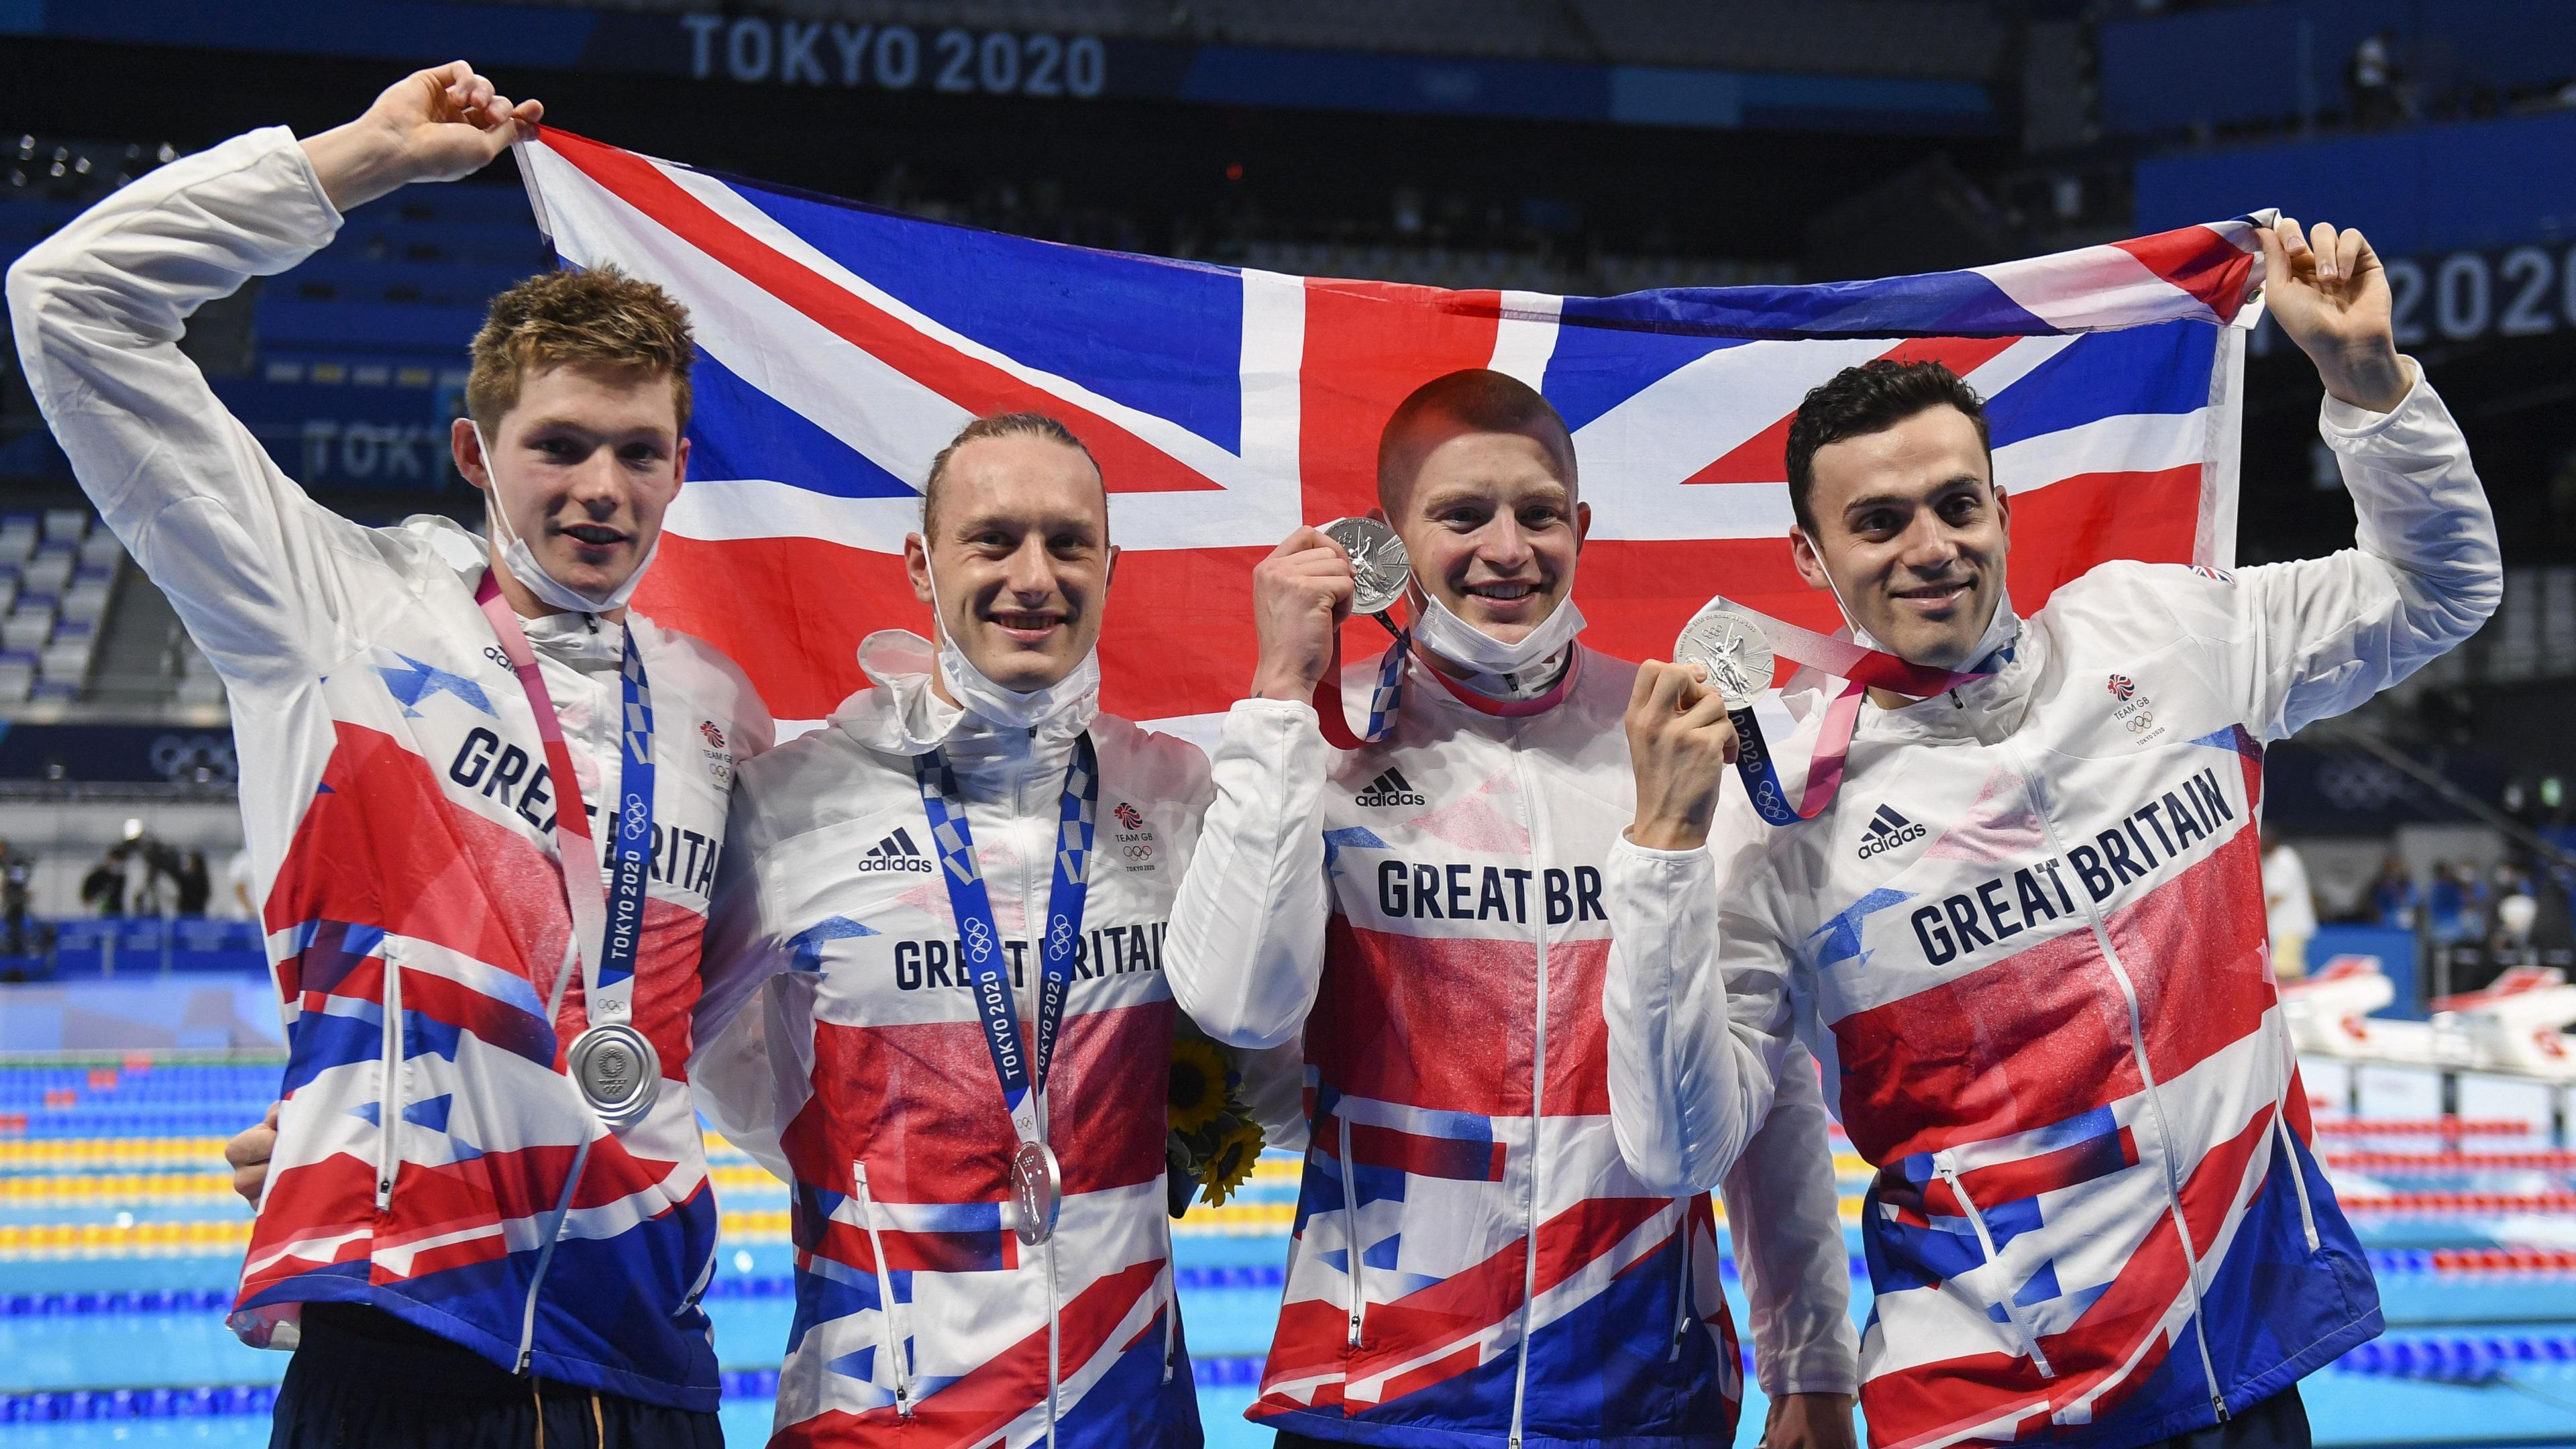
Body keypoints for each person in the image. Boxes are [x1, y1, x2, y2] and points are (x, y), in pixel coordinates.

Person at [1607, 215, 2498, 1448]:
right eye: (1878, 524)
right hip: (1993, 1409)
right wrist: (1659, 852)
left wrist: (2366, 387)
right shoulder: (1782, 817)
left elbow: (2439, 589)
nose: (1930, 548)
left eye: (1954, 502)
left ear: (2003, 508)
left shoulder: (2167, 637)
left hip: (2243, 1361)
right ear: (1811, 559)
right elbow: (1675, 1146)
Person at [10, 60, 772, 1446]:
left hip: (652, 1365)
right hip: (406, 1354)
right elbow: (69, 306)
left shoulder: (717, 708)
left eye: (638, 453)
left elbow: (713, 1027)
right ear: (478, 456)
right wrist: (357, 159)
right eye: (560, 446)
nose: (600, 488)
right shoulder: (336, 611)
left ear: (677, 468)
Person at [1165, 370, 1858, 1448]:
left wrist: (1810, 1359)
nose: (1506, 549)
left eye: (1538, 514)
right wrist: (1272, 694)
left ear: (1580, 526)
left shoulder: (1674, 746)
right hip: (1376, 1396)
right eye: (1461, 515)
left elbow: (1767, 1093)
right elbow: (1237, 1007)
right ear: (1389, 538)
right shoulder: (1317, 751)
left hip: (1643, 1397)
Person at [693, 411, 1294, 1446]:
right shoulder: (794, 804)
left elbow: (1273, 1072)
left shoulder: (1177, 794)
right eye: (994, 539)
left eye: (1068, 543)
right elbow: (683, 1054)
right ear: (922, 566)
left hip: (1130, 1413)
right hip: (874, 1421)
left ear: (1112, 565)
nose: (1034, 576)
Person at [2261, 828, 2316, 981]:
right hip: (2281, 927)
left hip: (2289, 926)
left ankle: (2297, 1002)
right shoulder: (2270, 860)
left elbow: (2277, 894)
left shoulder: (2284, 858)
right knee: (2288, 971)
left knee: (2283, 972)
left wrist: (2259, 918)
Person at [2367, 852, 2420, 932]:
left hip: (2405, 922)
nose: (2394, 870)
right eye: (2391, 867)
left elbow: (2414, 902)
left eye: (2397, 867)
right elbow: (2375, 903)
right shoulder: (2378, 884)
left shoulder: (2408, 885)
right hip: (2385, 922)